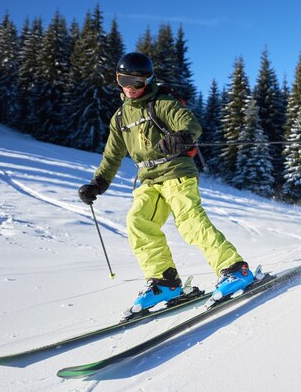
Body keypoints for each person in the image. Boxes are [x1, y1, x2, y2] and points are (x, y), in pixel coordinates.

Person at [78, 52, 254, 317]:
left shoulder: (161, 102)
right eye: (124, 79)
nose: (130, 87)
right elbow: (112, 155)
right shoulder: (120, 118)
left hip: (176, 172)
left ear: (148, 81)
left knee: (190, 223)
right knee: (138, 224)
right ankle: (165, 282)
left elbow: (189, 122)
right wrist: (97, 184)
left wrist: (180, 136)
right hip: (148, 181)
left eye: (137, 82)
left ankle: (235, 269)